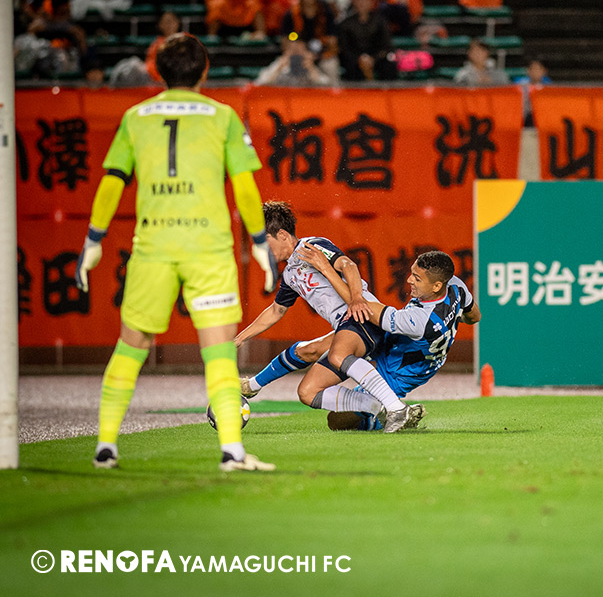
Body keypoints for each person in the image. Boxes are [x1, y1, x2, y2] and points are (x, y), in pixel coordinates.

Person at [74, 33, 280, 472]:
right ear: (205, 70)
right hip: (208, 249)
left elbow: (112, 180)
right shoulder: (222, 117)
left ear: (158, 71)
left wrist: (93, 239)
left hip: (153, 247)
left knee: (131, 345)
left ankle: (106, 446)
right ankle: (232, 451)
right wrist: (260, 243)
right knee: (219, 351)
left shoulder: (136, 117)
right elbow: (244, 186)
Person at [295, 247, 481, 433]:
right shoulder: (456, 286)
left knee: (336, 422)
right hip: (398, 345)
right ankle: (392, 409)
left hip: (399, 371)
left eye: (417, 278)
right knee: (316, 349)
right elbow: (474, 316)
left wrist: (326, 269)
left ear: (437, 286)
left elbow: (361, 306)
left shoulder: (419, 321)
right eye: (412, 273)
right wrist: (449, 320)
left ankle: (393, 411)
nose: (409, 280)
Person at [235, 200, 374, 398]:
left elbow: (348, 265)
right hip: (345, 326)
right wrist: (240, 338)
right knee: (306, 354)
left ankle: (252, 386)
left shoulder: (311, 247)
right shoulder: (289, 274)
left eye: (264, 241)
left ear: (282, 235)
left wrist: (357, 299)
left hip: (363, 317)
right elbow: (276, 311)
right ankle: (252, 386)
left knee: (315, 358)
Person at [280, 0, 340, 80]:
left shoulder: (326, 12)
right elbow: (286, 41)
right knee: (282, 67)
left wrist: (317, 55)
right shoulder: (291, 14)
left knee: (331, 66)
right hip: (299, 55)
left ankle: (333, 90)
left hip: (322, 55)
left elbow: (333, 42)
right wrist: (299, 50)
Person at [338, 0, 398, 81]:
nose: (362, 3)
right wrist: (359, 60)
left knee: (389, 65)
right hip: (355, 60)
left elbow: (387, 46)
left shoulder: (380, 21)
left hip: (377, 58)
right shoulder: (346, 24)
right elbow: (345, 49)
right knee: (350, 66)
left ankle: (387, 90)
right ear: (353, 1)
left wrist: (373, 59)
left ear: (371, 1)